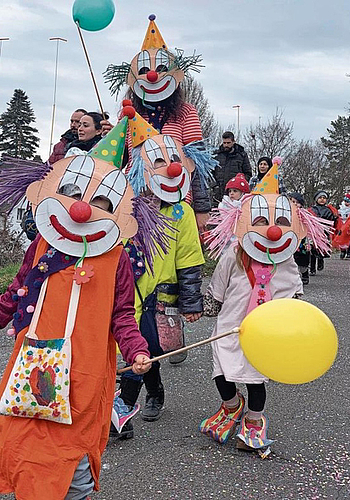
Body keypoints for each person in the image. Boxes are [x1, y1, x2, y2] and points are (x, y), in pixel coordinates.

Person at [0, 124, 156, 499]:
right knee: (24, 442)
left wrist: (136, 349)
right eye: (74, 195)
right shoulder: (43, 243)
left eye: (101, 202)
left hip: (83, 372)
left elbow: (122, 313)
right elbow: (16, 291)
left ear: (115, 210)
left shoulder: (117, 257)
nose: (84, 208)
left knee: (74, 450)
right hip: (32, 361)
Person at [200, 163, 330, 456]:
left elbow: (293, 295)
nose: (270, 231)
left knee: (256, 378)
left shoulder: (286, 263)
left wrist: (293, 321)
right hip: (230, 326)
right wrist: (208, 305)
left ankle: (255, 420)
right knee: (222, 371)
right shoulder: (232, 257)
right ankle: (232, 405)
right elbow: (218, 287)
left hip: (266, 335)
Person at [110, 106, 210, 439]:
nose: (169, 168)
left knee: (143, 344)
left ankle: (125, 408)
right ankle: (145, 388)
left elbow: (189, 257)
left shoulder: (180, 211)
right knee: (133, 346)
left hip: (148, 289)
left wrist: (190, 301)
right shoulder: (121, 201)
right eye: (156, 162)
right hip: (114, 286)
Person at [103, 14, 211, 232]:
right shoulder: (128, 115)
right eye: (143, 71)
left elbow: (197, 164)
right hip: (138, 199)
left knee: (176, 260)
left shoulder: (186, 112)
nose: (152, 75)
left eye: (161, 69)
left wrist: (202, 208)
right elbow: (119, 161)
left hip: (177, 197)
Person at [212, 131, 252, 206]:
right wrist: (214, 186)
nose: (226, 145)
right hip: (218, 193)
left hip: (236, 195)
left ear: (233, 142)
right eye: (224, 143)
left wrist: (239, 185)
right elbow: (210, 173)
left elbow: (248, 173)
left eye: (228, 143)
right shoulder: (216, 155)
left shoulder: (241, 155)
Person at [309, 190, 337, 275]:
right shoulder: (312, 209)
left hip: (325, 232)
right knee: (313, 250)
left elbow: (333, 220)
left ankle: (321, 260)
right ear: (316, 199)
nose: (322, 199)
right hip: (314, 233)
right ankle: (312, 268)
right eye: (320, 198)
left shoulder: (329, 210)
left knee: (322, 249)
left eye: (324, 198)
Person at [289, 192, 311, 285]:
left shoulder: (304, 215)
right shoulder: (285, 213)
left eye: (297, 202)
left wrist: (309, 242)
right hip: (290, 239)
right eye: (292, 201)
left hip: (302, 240)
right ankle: (293, 277)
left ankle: (304, 272)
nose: (294, 204)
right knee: (291, 259)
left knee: (303, 259)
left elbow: (310, 229)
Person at [338, 191, 350, 259]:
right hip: (343, 225)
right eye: (345, 201)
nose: (346, 203)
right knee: (342, 239)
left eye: (348, 202)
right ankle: (343, 251)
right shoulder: (341, 209)